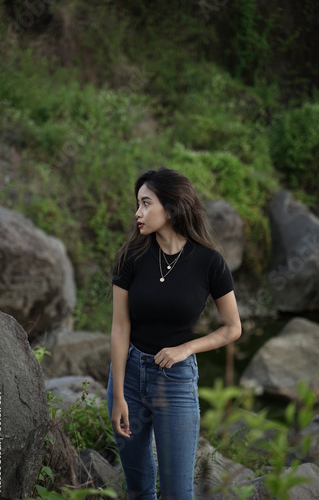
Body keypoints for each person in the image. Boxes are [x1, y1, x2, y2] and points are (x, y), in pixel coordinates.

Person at [106, 167, 241, 500]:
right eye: (137, 204)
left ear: (171, 206)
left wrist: (187, 348)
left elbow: (232, 328)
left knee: (178, 493)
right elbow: (120, 327)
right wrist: (119, 393)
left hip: (176, 381)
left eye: (146, 203)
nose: (138, 213)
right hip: (130, 378)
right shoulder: (130, 256)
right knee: (137, 488)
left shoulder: (210, 262)